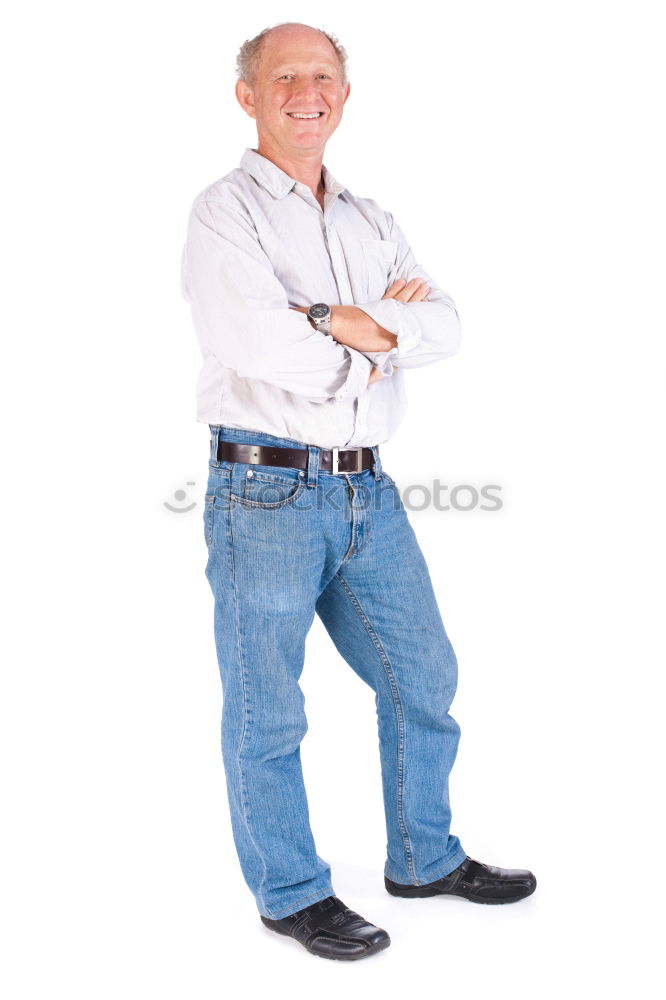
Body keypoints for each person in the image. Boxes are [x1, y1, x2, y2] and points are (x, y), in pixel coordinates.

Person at [180, 21, 536, 962]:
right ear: (248, 96)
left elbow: (448, 325)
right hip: (264, 494)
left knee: (424, 677)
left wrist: (335, 321)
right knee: (270, 706)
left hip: (368, 497)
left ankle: (424, 857)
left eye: (324, 75)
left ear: (345, 92)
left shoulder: (371, 219)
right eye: (285, 75)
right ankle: (290, 892)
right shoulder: (226, 213)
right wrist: (377, 341)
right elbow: (257, 345)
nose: (308, 90)